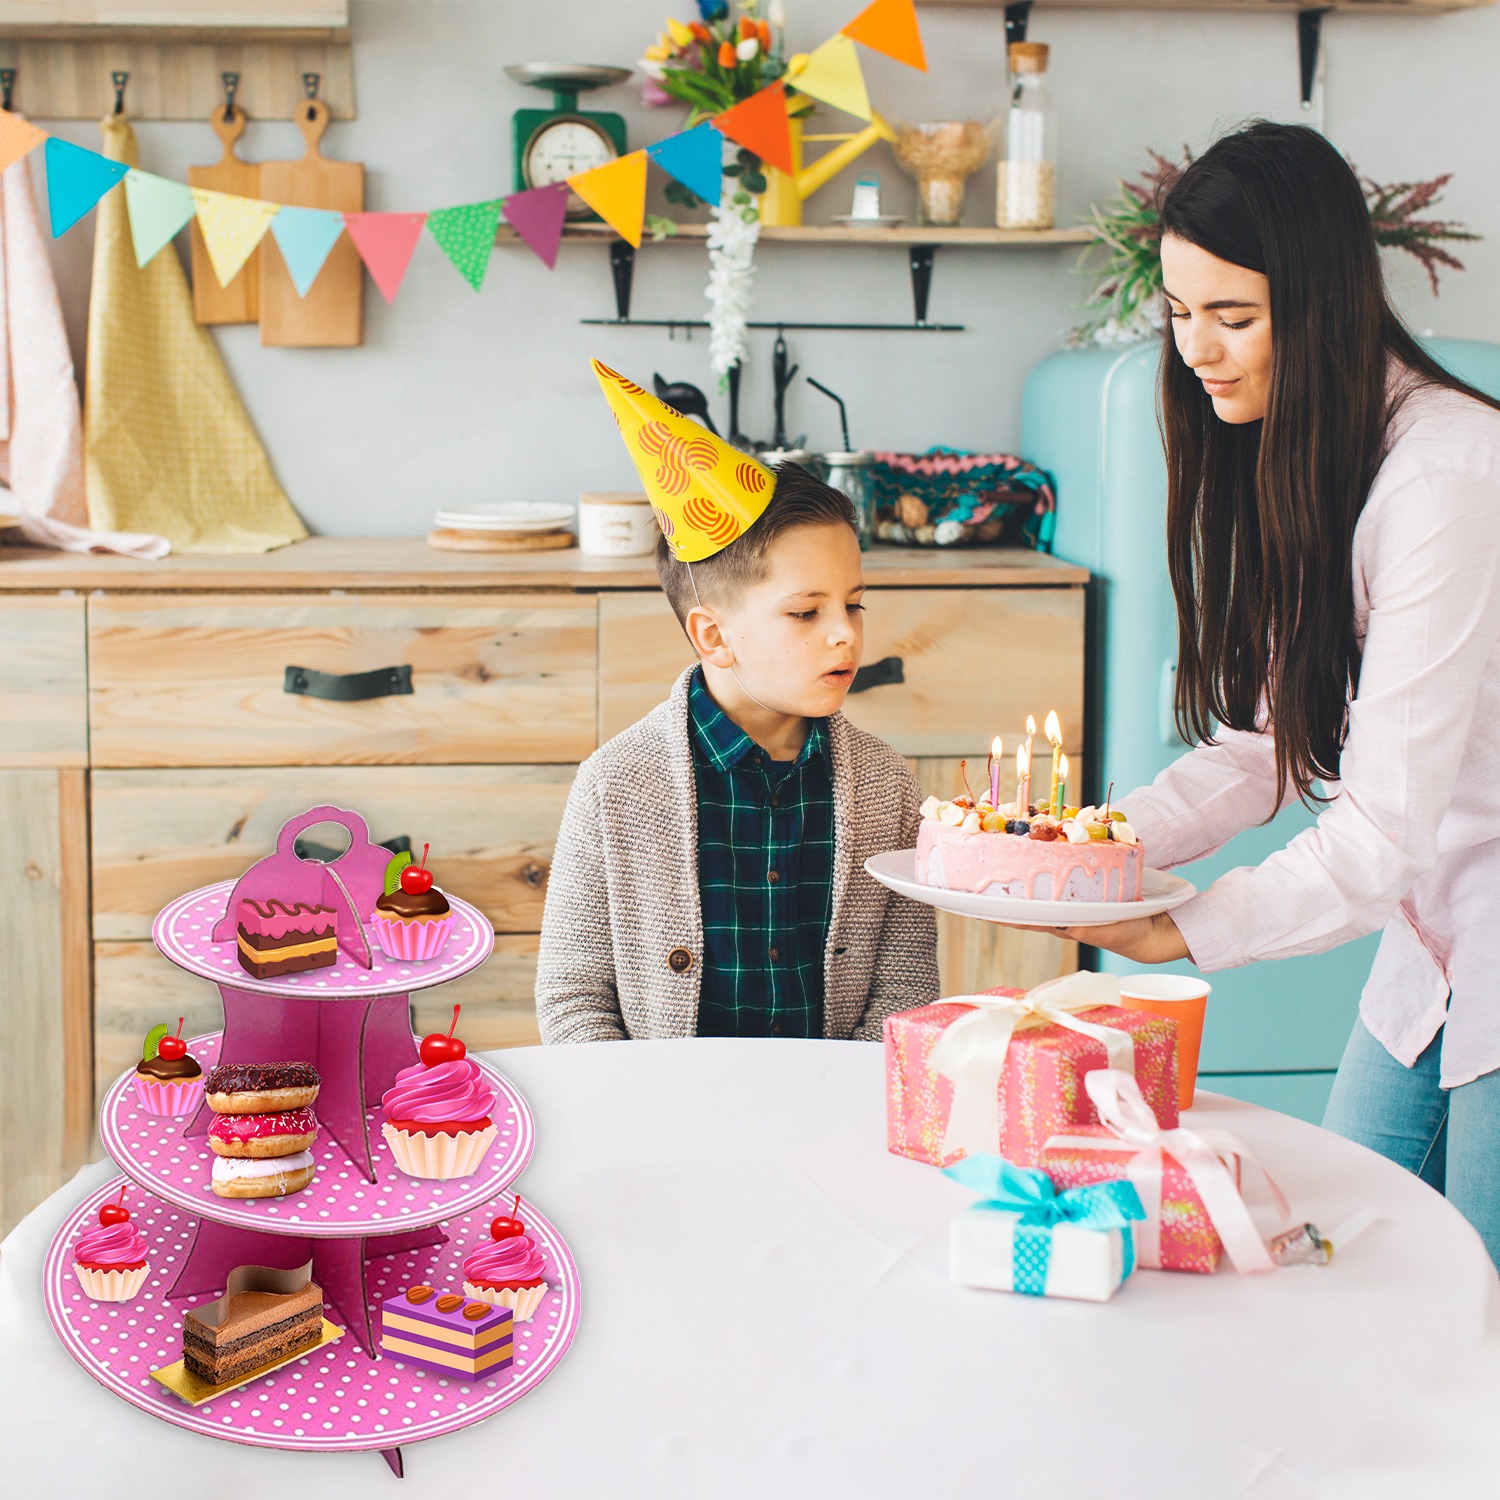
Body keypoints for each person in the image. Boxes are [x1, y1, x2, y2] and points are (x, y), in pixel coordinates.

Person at [1053, 122, 1500, 1262]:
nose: (1197, 350)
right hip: (1436, 942)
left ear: (1321, 301)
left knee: (1464, 1314)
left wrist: (1193, 929)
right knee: (1347, 1264)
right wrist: (1082, 851)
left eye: (1233, 318)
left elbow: (1380, 829)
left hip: (1473, 918)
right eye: (1179, 312)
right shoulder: (1308, 449)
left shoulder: (1446, 477)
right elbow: (1263, 748)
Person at [535, 362, 938, 1043]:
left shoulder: (887, 789)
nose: (846, 632)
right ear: (714, 636)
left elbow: (905, 990)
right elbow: (574, 996)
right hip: (663, 1120)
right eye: (806, 613)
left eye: (854, 604)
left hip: (830, 1119)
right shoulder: (615, 786)